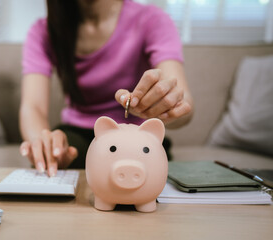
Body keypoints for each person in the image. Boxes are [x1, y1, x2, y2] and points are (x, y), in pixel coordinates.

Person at [19, 0, 194, 176]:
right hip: (77, 137)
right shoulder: (43, 31)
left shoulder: (152, 19)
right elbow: (32, 107)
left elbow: (183, 102)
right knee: (55, 168)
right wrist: (43, 144)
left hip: (137, 133)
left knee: (145, 159)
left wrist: (165, 108)